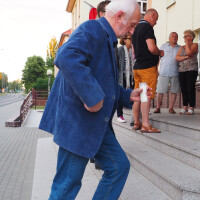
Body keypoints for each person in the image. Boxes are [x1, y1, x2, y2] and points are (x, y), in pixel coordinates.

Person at [39, 0, 142, 199]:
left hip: (95, 124)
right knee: (67, 186)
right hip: (78, 123)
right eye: (133, 24)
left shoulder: (107, 38)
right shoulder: (93, 28)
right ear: (119, 15)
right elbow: (66, 56)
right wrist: (91, 96)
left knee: (118, 166)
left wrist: (127, 95)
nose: (133, 30)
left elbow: (103, 82)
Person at [132, 8, 163, 133]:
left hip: (137, 67)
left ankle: (136, 122)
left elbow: (133, 51)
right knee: (146, 95)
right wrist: (159, 52)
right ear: (152, 15)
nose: (156, 22)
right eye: (156, 19)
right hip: (147, 67)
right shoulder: (148, 28)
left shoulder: (135, 29)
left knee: (138, 95)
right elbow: (151, 48)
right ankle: (145, 124)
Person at [153, 32, 181, 114]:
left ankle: (171, 108)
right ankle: (158, 107)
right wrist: (156, 68)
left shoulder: (180, 48)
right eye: (173, 36)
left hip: (175, 72)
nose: (174, 37)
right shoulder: (163, 46)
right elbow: (158, 58)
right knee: (160, 90)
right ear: (169, 38)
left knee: (174, 91)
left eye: (176, 36)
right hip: (163, 71)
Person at [175, 30, 199, 115]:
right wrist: (186, 57)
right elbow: (177, 58)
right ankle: (185, 106)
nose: (184, 38)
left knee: (190, 88)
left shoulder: (194, 45)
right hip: (182, 70)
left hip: (191, 69)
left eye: (186, 36)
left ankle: (191, 107)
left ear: (191, 37)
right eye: (184, 36)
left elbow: (189, 52)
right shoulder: (182, 47)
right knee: (183, 89)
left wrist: (188, 44)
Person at [116, 33, 135, 123]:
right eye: (130, 39)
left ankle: (135, 111)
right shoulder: (120, 50)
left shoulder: (132, 50)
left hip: (131, 77)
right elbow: (116, 64)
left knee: (131, 94)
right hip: (122, 76)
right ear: (124, 40)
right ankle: (119, 115)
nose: (131, 40)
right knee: (120, 95)